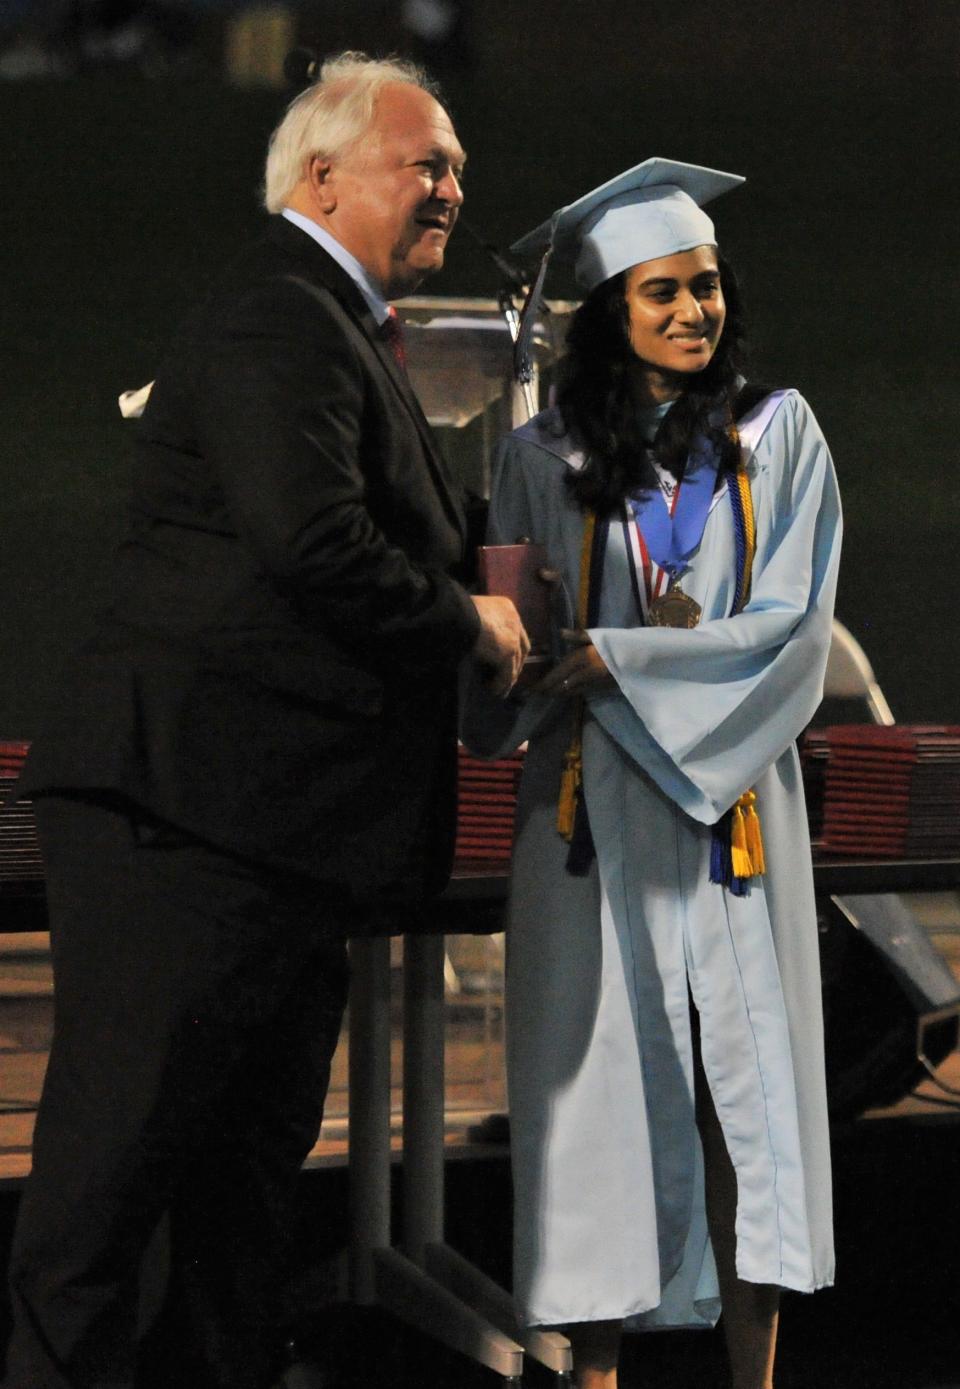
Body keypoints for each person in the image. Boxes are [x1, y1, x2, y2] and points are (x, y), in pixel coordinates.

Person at [3, 52, 527, 1389]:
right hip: (188, 829)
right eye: (429, 161)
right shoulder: (280, 315)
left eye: (458, 164)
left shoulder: (331, 325)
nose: (453, 186)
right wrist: (475, 624)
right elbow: (315, 544)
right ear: (323, 175)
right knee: (113, 1201)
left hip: (266, 839)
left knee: (229, 1216)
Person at [462, 158, 841, 1389]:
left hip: (729, 807)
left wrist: (614, 660)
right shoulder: (539, 454)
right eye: (664, 293)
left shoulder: (776, 435)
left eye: (709, 287)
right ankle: (602, 1370)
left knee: (755, 1095)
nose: (695, 312)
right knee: (597, 1103)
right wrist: (521, 652)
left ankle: (756, 1371)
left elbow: (790, 627)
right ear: (610, 311)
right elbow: (512, 649)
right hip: (584, 813)